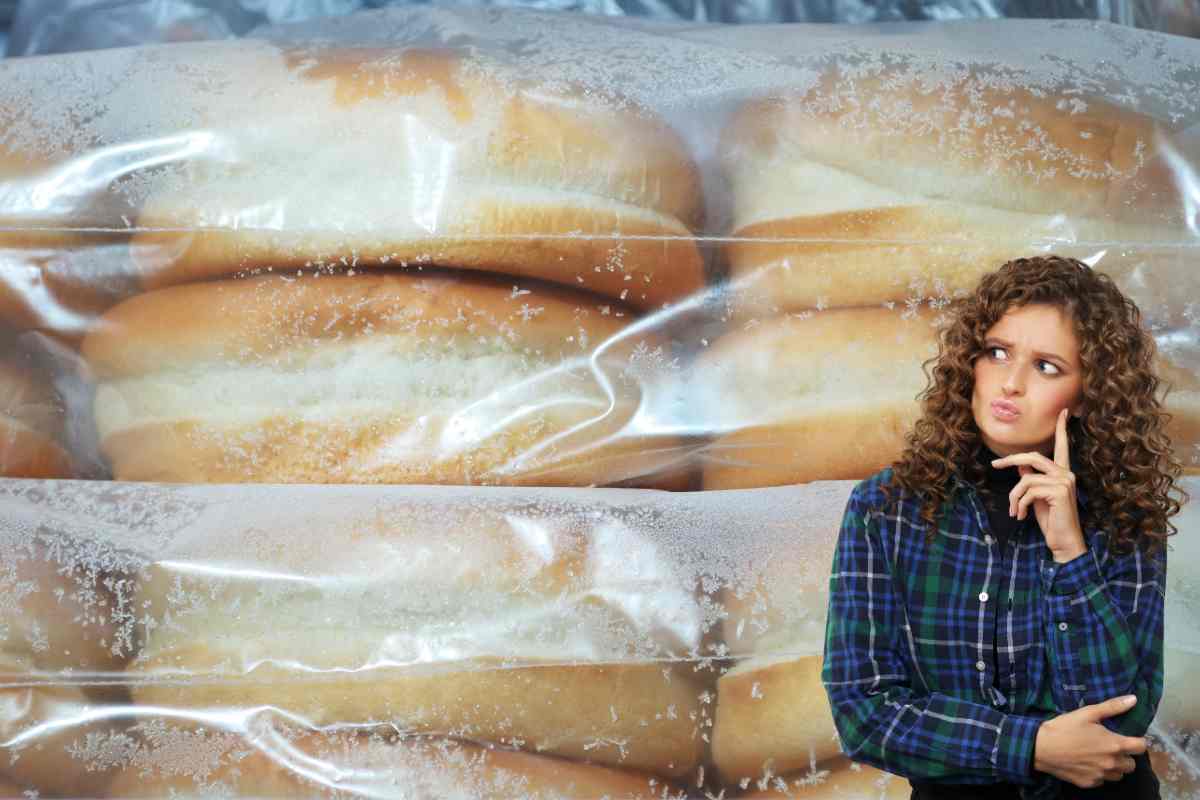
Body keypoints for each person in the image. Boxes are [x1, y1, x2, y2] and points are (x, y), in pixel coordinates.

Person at [821, 256, 1186, 800]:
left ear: (1087, 395)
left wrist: (1070, 551)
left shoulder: (1125, 512)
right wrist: (1032, 746)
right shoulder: (886, 507)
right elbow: (863, 713)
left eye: (1046, 367)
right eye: (997, 353)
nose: (1010, 384)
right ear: (970, 362)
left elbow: (1119, 721)